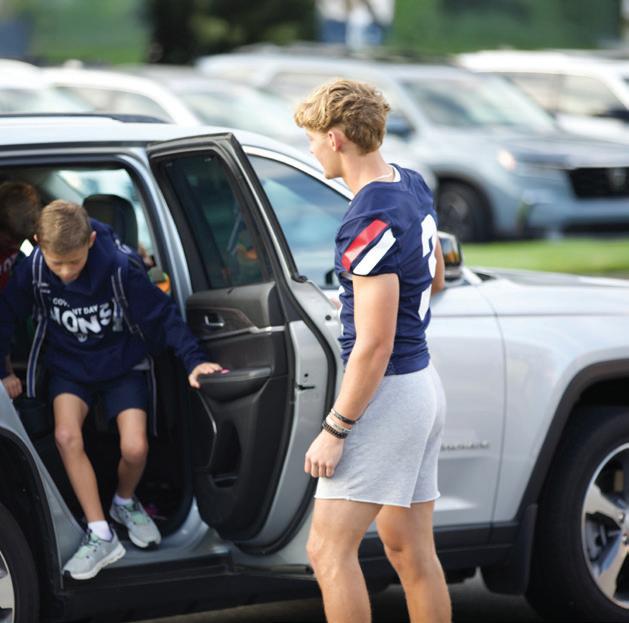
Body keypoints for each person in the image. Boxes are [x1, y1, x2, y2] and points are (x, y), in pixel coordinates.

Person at [294, 79, 450, 623]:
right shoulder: (410, 183)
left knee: (327, 550)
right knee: (410, 550)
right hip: (422, 384)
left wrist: (335, 429)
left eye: (312, 139)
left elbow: (375, 344)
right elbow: (437, 276)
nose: (311, 150)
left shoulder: (367, 220)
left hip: (388, 394)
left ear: (335, 138)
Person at [0, 200, 222, 580]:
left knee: (135, 448)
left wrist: (194, 360)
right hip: (69, 368)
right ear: (38, 243)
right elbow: (4, 315)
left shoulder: (119, 268)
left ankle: (124, 501)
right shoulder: (33, 270)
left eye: (74, 262)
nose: (66, 273)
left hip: (122, 366)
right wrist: (3, 370)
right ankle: (100, 532)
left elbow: (163, 315)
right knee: (66, 436)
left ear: (90, 241)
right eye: (57, 263)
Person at [0, 181, 42, 399]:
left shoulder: (21, 248)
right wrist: (3, 373)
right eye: (11, 240)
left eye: (21, 241)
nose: (17, 247)